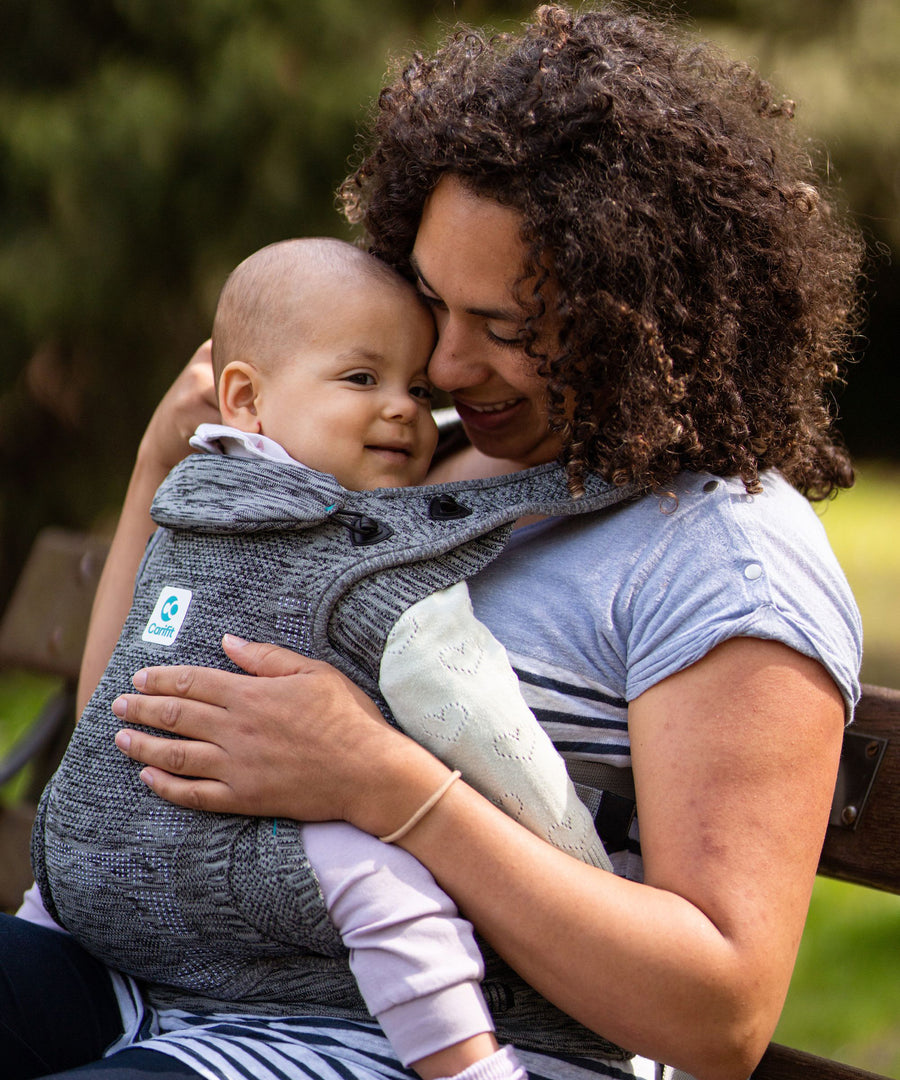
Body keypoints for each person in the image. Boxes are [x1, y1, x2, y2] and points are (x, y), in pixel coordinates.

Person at [4, 4, 864, 1080]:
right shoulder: (406, 453)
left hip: (412, 1042)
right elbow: (137, 729)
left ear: (640, 314)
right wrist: (157, 471)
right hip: (169, 970)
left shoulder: (724, 556)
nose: (448, 369)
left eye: (506, 329)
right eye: (430, 302)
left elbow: (720, 1015)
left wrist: (382, 784)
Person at [25, 237, 613, 1080]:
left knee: (376, 885)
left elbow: (480, 720)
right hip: (146, 893)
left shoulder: (386, 547)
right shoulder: (206, 497)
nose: (409, 408)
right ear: (246, 400)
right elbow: (124, 708)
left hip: (315, 857)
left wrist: (577, 870)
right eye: (363, 379)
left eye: (415, 388)